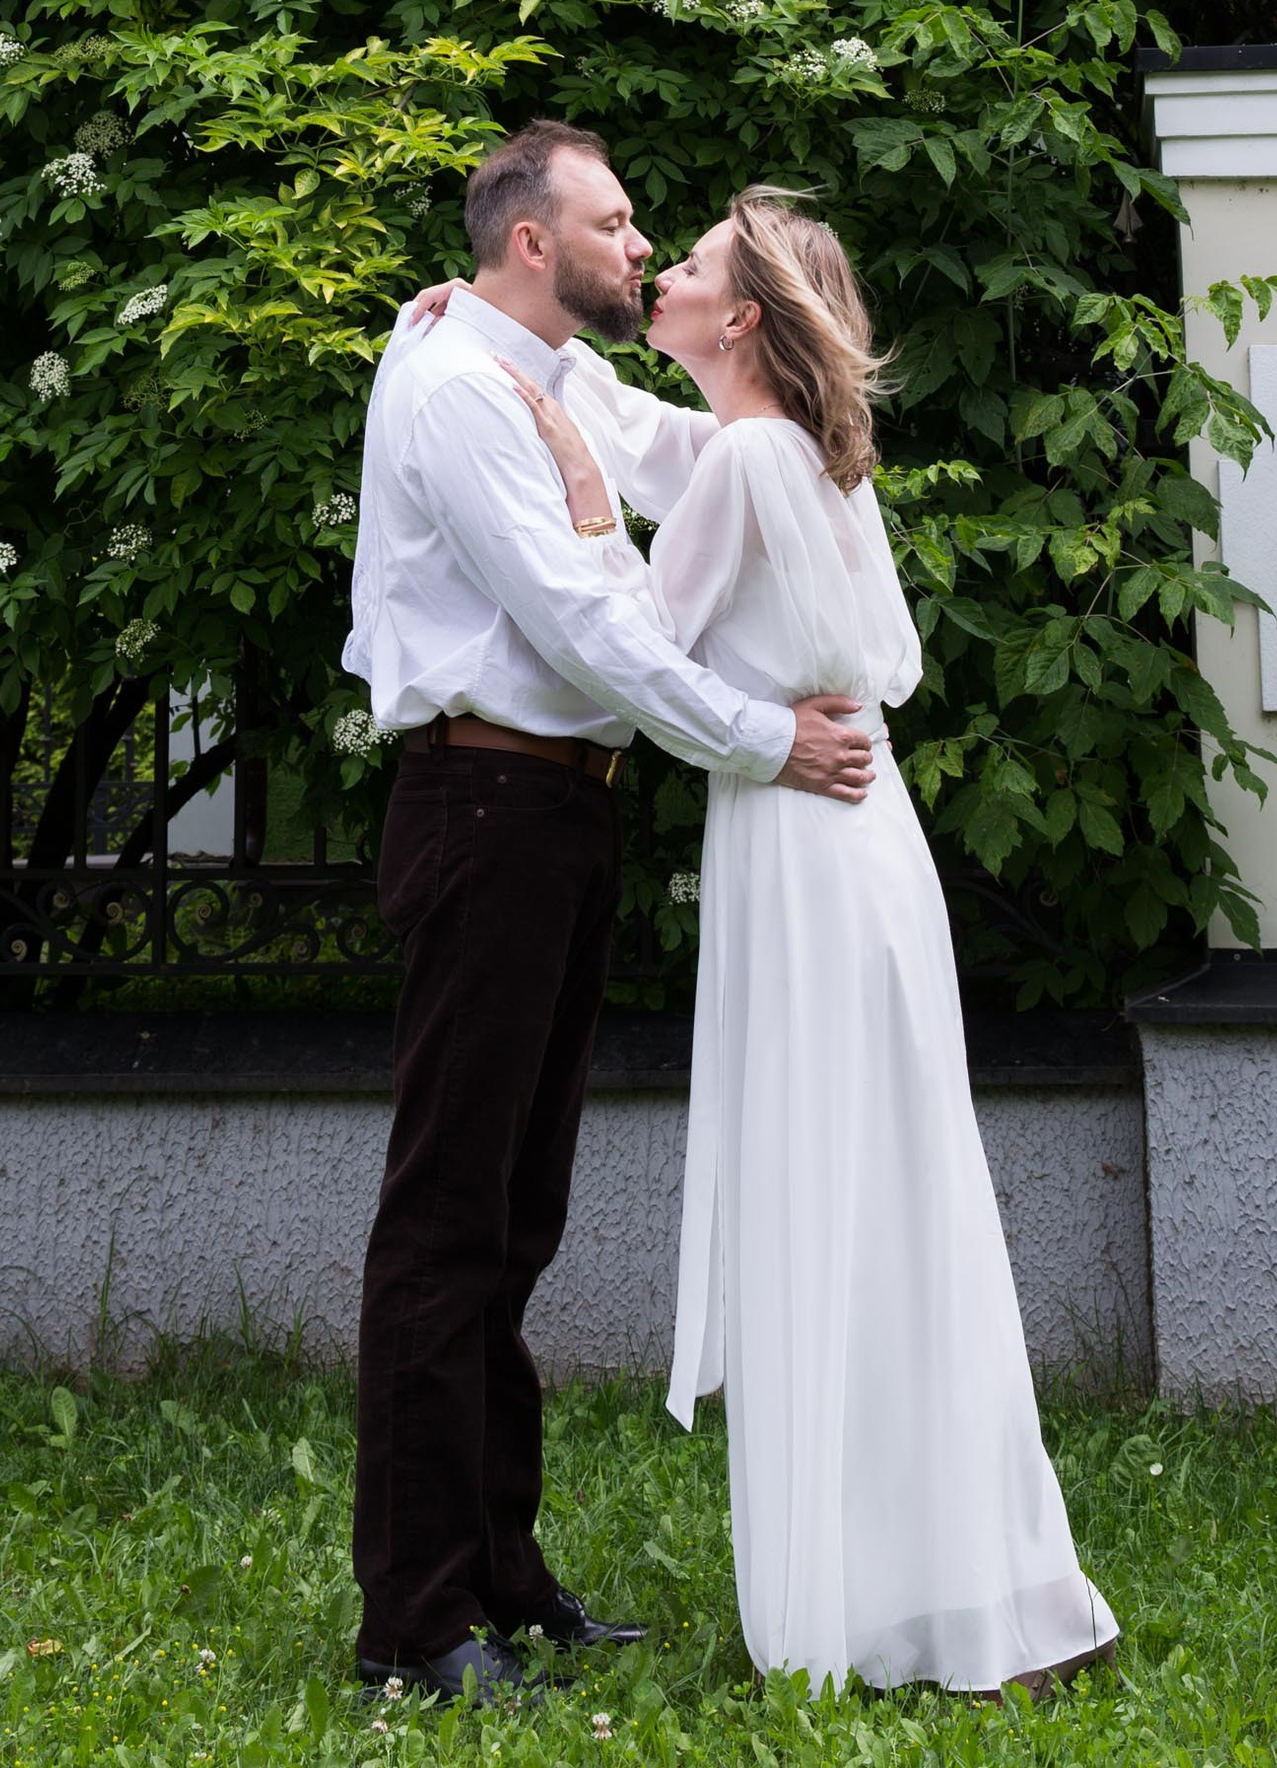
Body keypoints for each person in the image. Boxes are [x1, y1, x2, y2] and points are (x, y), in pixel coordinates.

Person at [511, 186, 1118, 1704]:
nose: (665, 283)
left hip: (798, 841)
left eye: (694, 270)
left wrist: (559, 467)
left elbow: (633, 646)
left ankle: (861, 1605)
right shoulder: (799, 461)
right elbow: (681, 458)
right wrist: (536, 358)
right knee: (898, 1197)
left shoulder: (748, 465)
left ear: (745, 320)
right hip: (866, 848)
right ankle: (977, 1583)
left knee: (826, 1195)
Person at [345, 121, 878, 1710]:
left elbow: (685, 454)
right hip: (486, 808)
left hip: (557, 816)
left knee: (518, 1219)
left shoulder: (541, 365)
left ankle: (505, 1581)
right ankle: (414, 1627)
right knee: (448, 1223)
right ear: (531, 241)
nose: (641, 246)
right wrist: (765, 738)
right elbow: (586, 626)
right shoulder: (457, 387)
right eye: (619, 221)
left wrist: (802, 420)